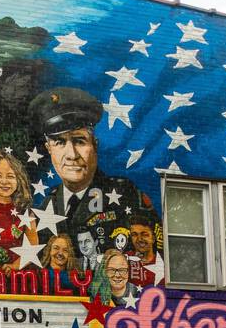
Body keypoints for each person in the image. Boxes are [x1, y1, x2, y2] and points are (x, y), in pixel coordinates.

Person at [28, 86, 161, 254]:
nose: (71, 155)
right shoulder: (46, 206)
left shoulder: (126, 195)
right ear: (49, 149)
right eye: (60, 142)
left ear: (94, 145)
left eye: (79, 141)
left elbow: (153, 256)